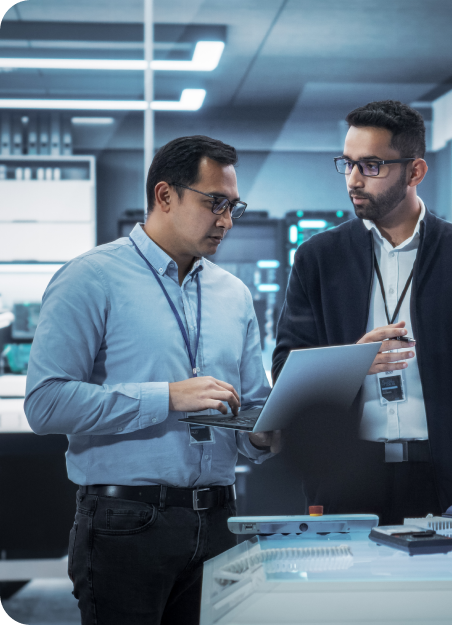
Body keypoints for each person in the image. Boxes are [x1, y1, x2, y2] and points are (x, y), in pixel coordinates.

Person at [25, 135, 280, 625]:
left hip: (220, 521)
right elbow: (46, 403)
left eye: (234, 206)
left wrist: (264, 435)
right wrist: (166, 397)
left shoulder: (234, 294)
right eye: (215, 203)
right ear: (165, 196)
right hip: (126, 524)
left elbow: (251, 406)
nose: (226, 220)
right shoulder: (90, 278)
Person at [272, 100, 452, 524]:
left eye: (370, 165)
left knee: (440, 590)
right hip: (345, 476)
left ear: (415, 172)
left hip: (441, 480)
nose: (353, 179)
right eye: (347, 164)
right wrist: (350, 362)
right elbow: (284, 372)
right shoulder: (318, 258)